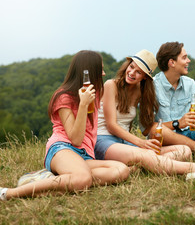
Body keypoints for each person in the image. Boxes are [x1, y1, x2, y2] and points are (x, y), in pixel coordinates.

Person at [1, 50, 130, 201]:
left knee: (121, 170)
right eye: (100, 69)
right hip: (62, 148)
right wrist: (83, 105)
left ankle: (54, 179)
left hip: (84, 154)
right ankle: (8, 193)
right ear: (89, 71)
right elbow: (75, 139)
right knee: (82, 179)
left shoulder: (94, 93)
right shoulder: (63, 97)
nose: (103, 73)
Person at [94, 49, 195, 179]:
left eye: (138, 72)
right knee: (146, 154)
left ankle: (140, 168)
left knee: (184, 150)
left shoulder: (140, 92)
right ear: (127, 66)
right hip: (104, 140)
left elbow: (141, 125)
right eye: (131, 67)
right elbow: (111, 125)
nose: (132, 73)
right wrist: (141, 143)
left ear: (144, 77)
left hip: (125, 143)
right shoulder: (111, 85)